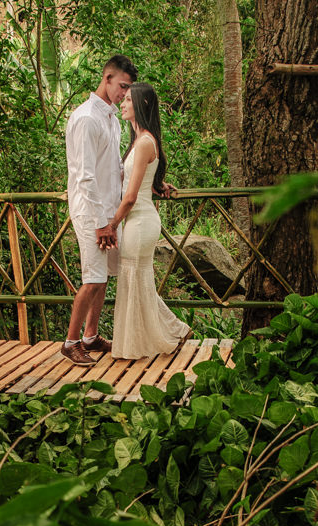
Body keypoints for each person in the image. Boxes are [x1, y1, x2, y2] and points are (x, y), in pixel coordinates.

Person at [61, 55, 136, 366]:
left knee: (103, 276)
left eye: (128, 89)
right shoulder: (87, 118)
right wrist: (101, 223)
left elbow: (115, 168)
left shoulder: (112, 119)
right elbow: (84, 176)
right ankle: (70, 342)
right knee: (92, 278)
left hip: (109, 211)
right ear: (106, 79)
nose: (124, 94)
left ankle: (91, 336)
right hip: (91, 213)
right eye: (121, 86)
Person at [108, 82, 190, 360]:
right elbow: (139, 183)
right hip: (139, 218)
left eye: (128, 100)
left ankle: (155, 337)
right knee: (137, 280)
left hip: (140, 220)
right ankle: (172, 330)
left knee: (134, 278)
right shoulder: (140, 140)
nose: (122, 103)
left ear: (141, 105)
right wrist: (157, 186)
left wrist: (111, 224)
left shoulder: (144, 142)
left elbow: (130, 196)